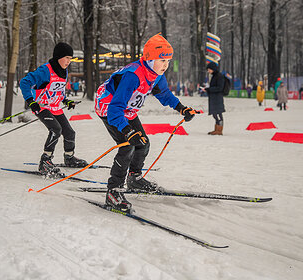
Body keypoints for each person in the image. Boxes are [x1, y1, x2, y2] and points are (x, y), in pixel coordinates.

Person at [94, 34, 198, 212]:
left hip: (127, 111)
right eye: (162, 60)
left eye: (168, 61)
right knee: (127, 146)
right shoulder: (133, 76)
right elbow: (114, 109)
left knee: (143, 143)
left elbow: (164, 94)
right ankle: (113, 191)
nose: (165, 65)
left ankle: (134, 178)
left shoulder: (156, 74)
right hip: (109, 108)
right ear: (149, 59)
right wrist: (127, 131)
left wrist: (181, 108)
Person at [20, 42, 88, 175]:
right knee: (56, 129)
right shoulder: (45, 70)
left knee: (69, 133)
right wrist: (30, 101)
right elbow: (24, 82)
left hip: (55, 107)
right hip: (42, 106)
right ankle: (45, 161)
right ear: (58, 57)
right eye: (66, 57)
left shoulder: (64, 71)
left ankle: (69, 157)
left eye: (70, 58)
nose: (69, 61)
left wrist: (65, 100)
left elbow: (58, 89)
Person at [201, 62, 225, 135]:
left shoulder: (219, 76)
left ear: (213, 69)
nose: (208, 71)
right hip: (214, 98)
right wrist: (207, 89)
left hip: (217, 99)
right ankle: (216, 129)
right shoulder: (214, 76)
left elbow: (219, 88)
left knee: (218, 114)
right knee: (215, 114)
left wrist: (209, 89)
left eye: (209, 69)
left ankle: (219, 130)